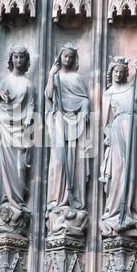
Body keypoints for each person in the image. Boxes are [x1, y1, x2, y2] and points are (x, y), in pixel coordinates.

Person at [0, 46, 35, 236]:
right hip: (3, 125)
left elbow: (30, 105)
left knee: (19, 167)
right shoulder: (5, 81)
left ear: (26, 60)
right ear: (11, 59)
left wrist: (29, 120)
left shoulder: (29, 85)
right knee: (2, 165)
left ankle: (16, 202)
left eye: (22, 57)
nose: (18, 61)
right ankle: (4, 202)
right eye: (15, 57)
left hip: (19, 129)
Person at [99, 56, 137, 238]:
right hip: (118, 130)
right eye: (115, 71)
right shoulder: (109, 93)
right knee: (119, 171)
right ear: (111, 73)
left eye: (121, 71)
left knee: (134, 171)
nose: (118, 74)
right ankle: (115, 210)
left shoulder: (133, 85)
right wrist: (109, 136)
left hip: (136, 130)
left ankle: (131, 211)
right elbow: (105, 121)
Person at [44, 43, 90, 237]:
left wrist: (85, 110)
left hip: (75, 123)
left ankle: (73, 199)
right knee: (58, 162)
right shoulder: (56, 77)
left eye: (71, 57)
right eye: (65, 56)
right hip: (59, 122)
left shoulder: (77, 78)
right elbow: (48, 96)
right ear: (60, 57)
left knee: (74, 162)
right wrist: (50, 76)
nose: (68, 60)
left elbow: (84, 99)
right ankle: (56, 201)